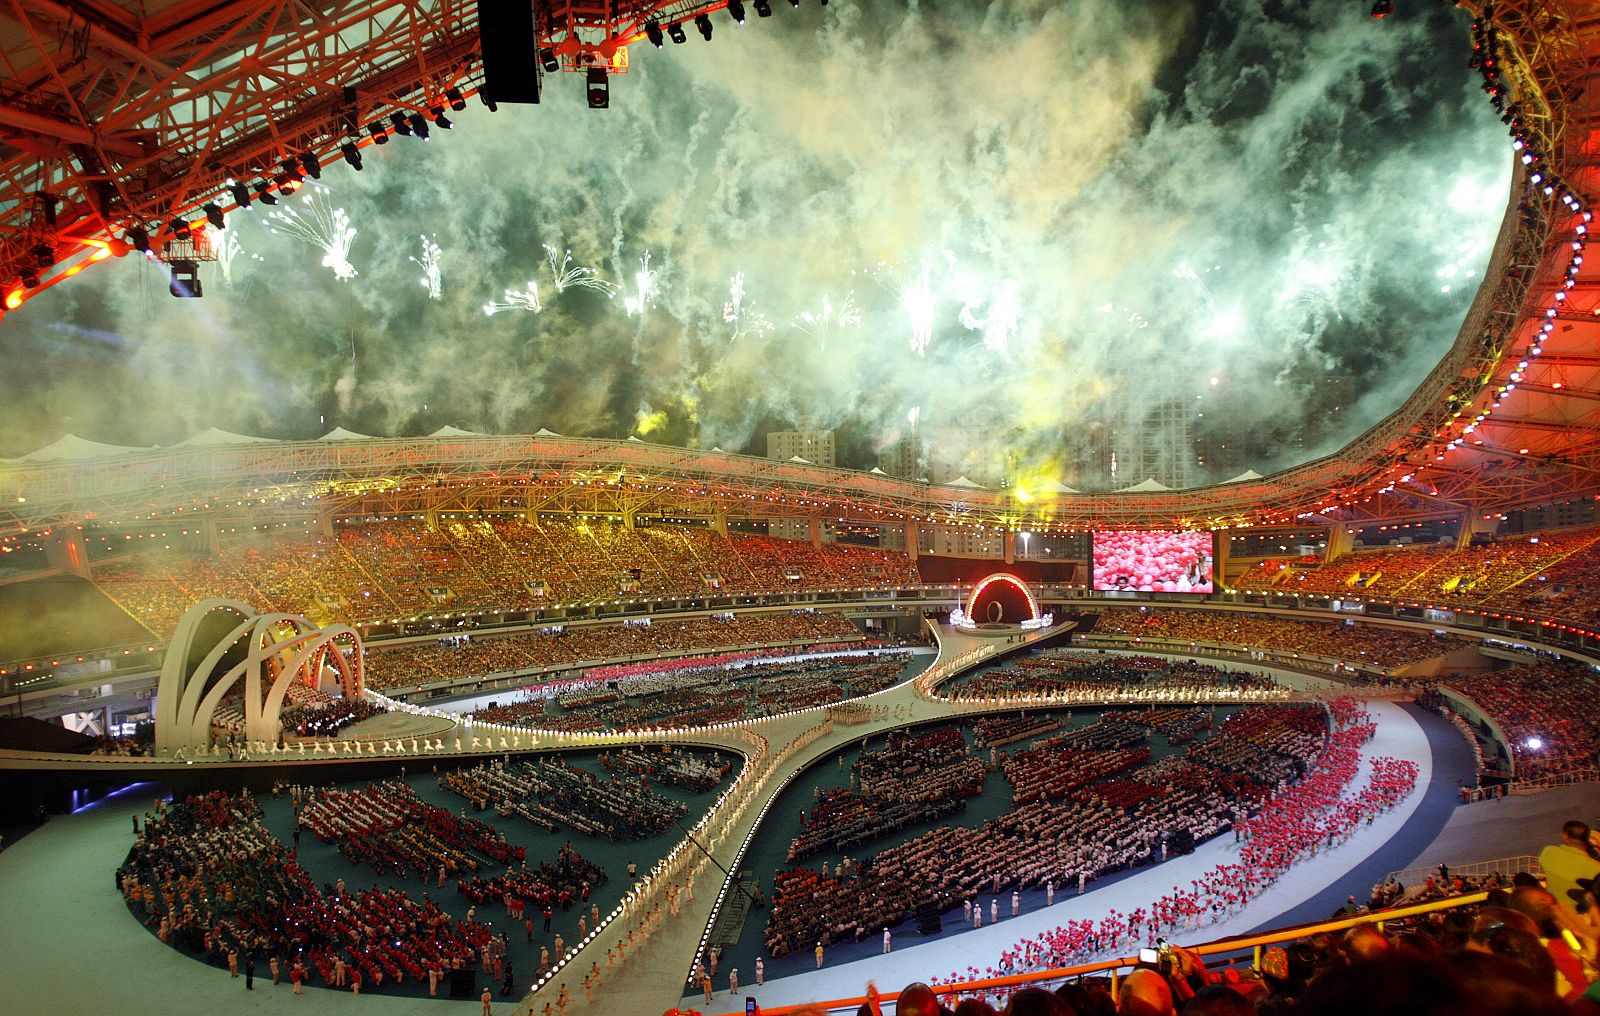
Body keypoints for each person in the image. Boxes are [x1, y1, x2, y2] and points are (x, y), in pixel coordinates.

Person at [1539, 820, 1600, 918]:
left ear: (1565, 836)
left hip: (1559, 916)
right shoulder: (1596, 867)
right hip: (1587, 919)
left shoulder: (1549, 853)